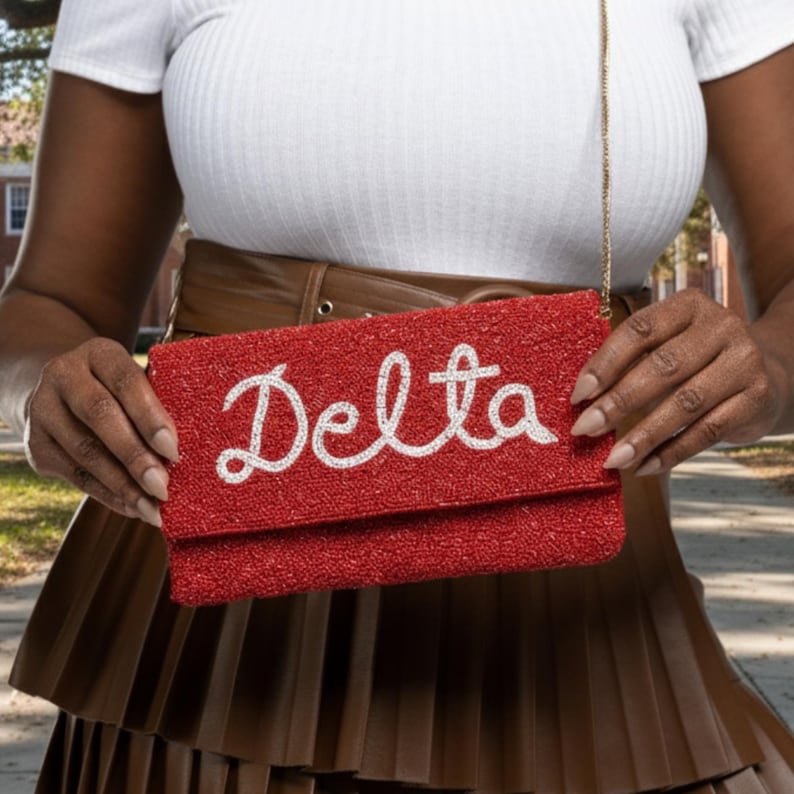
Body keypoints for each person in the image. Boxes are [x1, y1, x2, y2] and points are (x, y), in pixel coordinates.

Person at [2, 0, 794, 791]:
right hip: (215, 661)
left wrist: (766, 366)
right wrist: (45, 387)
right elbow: (51, 302)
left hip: (599, 639)